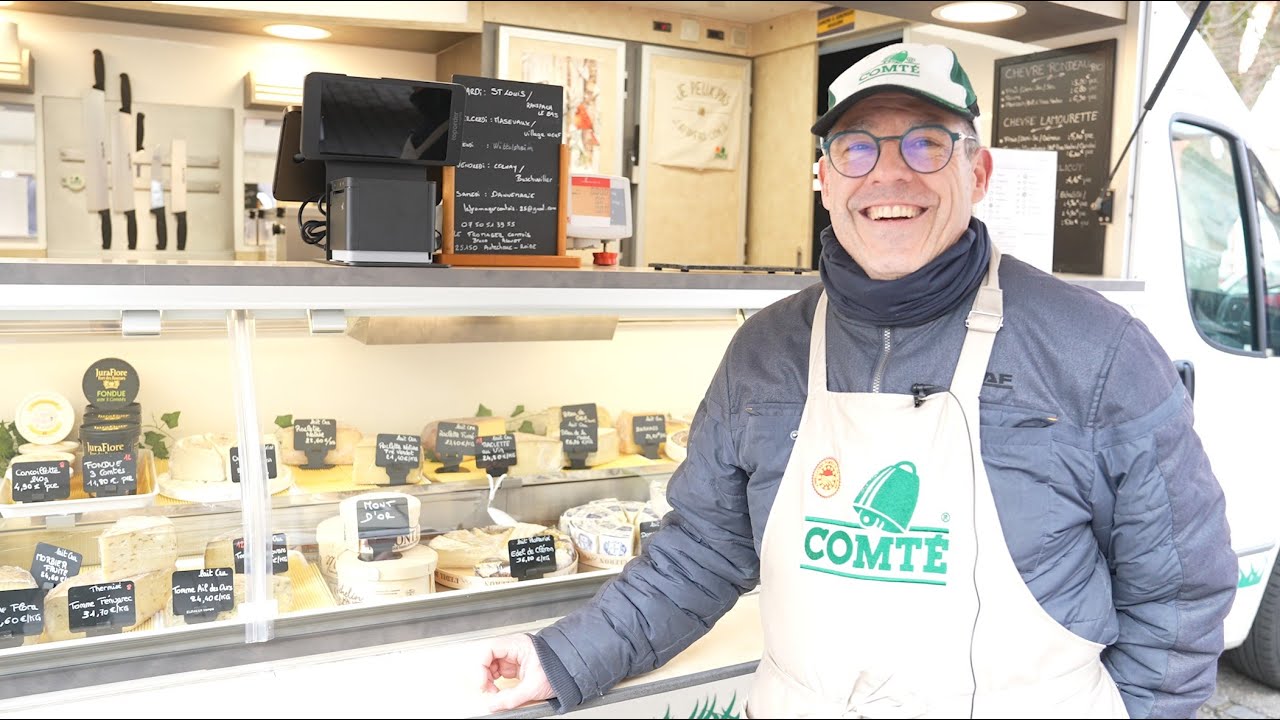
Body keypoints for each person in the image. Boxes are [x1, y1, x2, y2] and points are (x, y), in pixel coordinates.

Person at [475, 42, 1237, 718]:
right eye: (857, 149)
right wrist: (562, 658)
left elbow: (1180, 593)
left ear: (979, 171)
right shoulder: (763, 351)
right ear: (825, 179)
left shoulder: (1096, 351)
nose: (890, 174)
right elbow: (702, 551)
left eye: (926, 143)